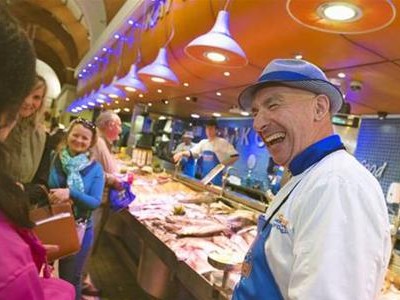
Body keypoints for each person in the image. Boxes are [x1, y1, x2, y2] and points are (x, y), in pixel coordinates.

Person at [232, 58, 391, 299]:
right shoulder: (307, 175)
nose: (257, 124)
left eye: (273, 105)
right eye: (255, 112)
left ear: (319, 108)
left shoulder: (337, 185)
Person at [0, 3, 74, 299]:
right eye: (26, 95)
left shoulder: (42, 136)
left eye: (37, 98)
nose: (29, 103)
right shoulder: (10, 267)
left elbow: (42, 177)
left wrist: (26, 247)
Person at [48, 118, 105, 299]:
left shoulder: (96, 169)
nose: (79, 140)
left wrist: (70, 194)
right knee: (41, 273)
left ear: (91, 142)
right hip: (50, 224)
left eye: (85, 138)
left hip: (78, 229)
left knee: (70, 279)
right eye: (76, 135)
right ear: (68, 135)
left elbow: (95, 202)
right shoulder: (54, 158)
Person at [85, 110, 123, 296]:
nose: (120, 130)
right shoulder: (97, 142)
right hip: (95, 201)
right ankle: (81, 282)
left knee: (90, 242)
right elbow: (91, 169)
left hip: (100, 200)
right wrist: (113, 180)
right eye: (119, 125)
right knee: (87, 242)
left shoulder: (103, 143)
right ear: (109, 125)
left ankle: (83, 278)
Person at [173, 119, 238, 185]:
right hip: (204, 178)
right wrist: (181, 153)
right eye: (207, 129)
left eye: (211, 129)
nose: (208, 131)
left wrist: (223, 164)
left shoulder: (222, 142)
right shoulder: (203, 142)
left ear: (216, 130)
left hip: (216, 180)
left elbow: (235, 156)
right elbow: (192, 153)